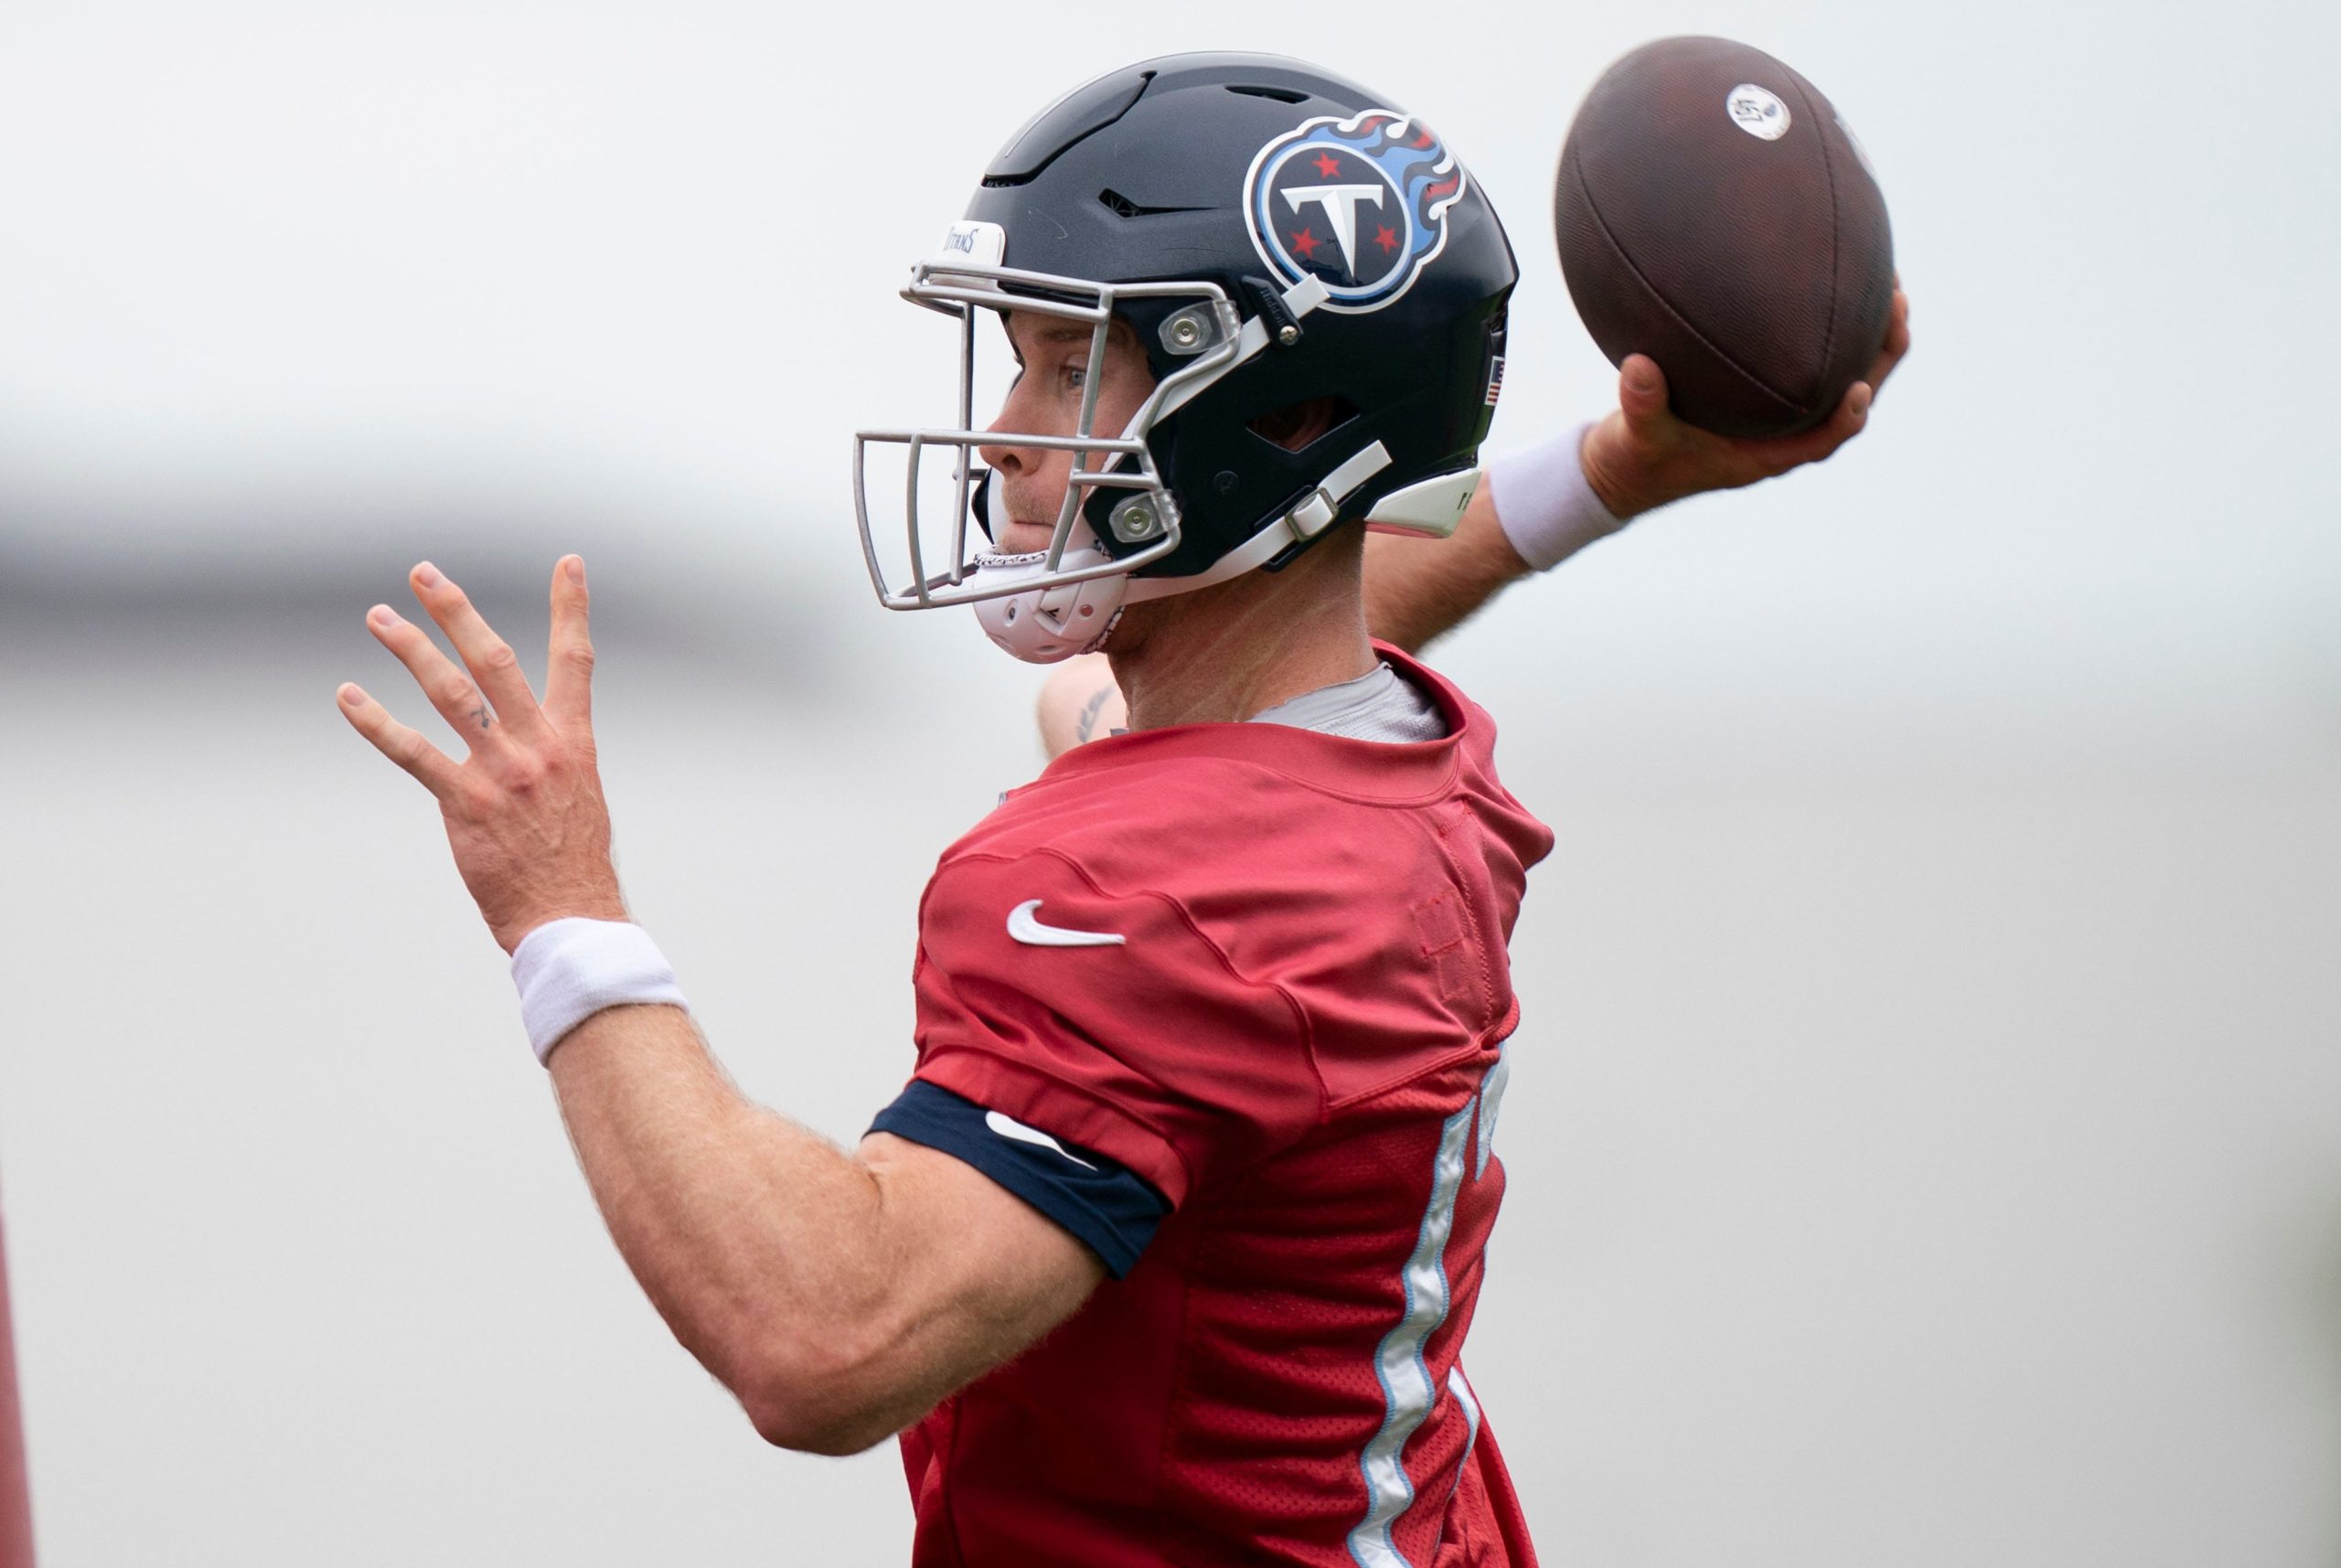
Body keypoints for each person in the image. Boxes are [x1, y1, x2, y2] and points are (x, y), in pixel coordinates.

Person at [337, 52, 1907, 1566]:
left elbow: (823, 1336)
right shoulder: (1383, 759)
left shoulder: (1167, 894)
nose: (1014, 430)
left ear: (1279, 422)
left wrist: (564, 911)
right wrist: (1618, 473)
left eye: (1070, 363)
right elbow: (1253, 628)